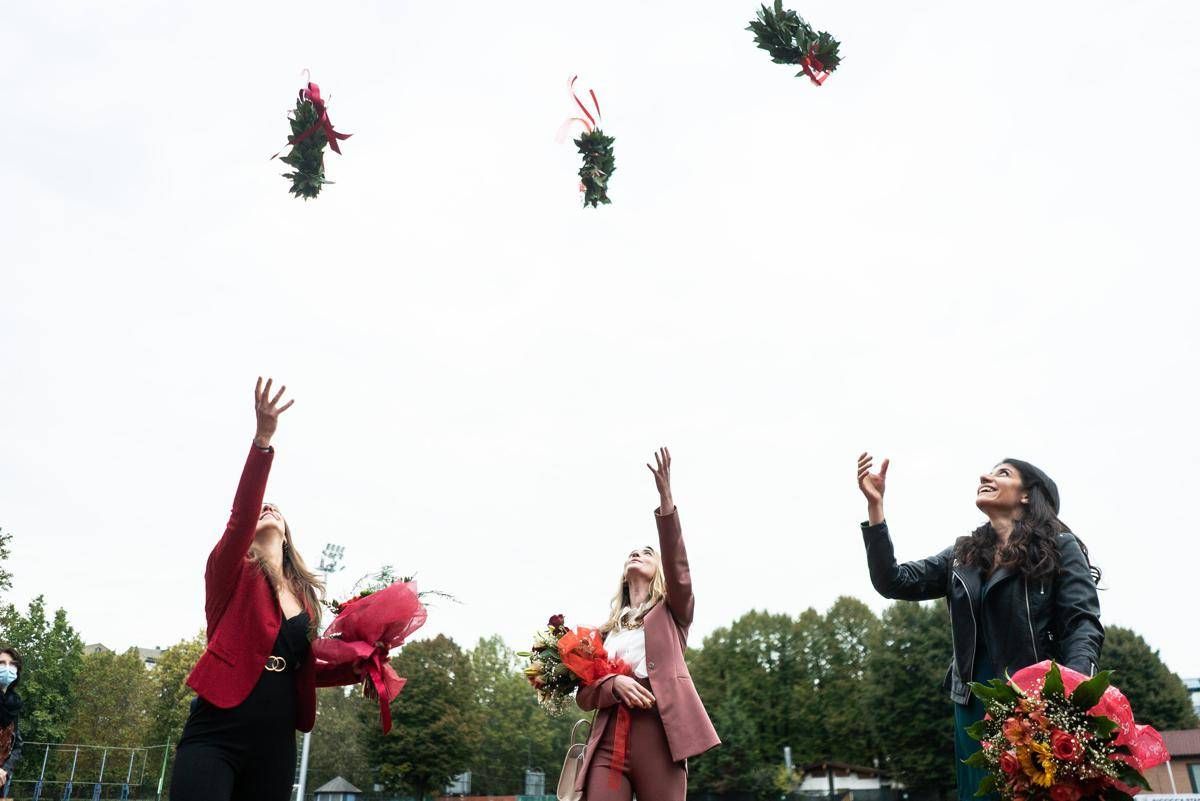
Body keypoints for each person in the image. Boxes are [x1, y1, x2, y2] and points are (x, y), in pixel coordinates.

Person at [856, 453, 1103, 801]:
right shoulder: (962, 554)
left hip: (1036, 702)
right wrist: (875, 510)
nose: (985, 476)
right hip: (972, 702)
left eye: (1002, 473)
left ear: (1027, 494)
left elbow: (1082, 624)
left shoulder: (1060, 547)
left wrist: (1072, 694)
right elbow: (893, 581)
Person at [170, 378, 364, 801]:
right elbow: (240, 518)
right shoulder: (228, 574)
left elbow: (306, 666)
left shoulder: (306, 597)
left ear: (289, 535)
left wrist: (360, 665)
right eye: (261, 508)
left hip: (276, 741)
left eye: (275, 508)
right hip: (216, 732)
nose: (267, 507)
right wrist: (262, 441)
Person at [574, 448, 720, 801]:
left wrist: (666, 503)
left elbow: (679, 567)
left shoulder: (673, 613)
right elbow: (584, 696)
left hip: (661, 737)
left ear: (659, 572)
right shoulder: (601, 633)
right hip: (608, 742)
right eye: (631, 552)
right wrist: (614, 683)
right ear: (623, 575)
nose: (637, 554)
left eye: (646, 552)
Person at [0, 647, 22, 796]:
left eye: (12, 664)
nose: (8, 668)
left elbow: (17, 745)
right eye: (2, 663)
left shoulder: (14, 704)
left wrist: (5, 770)